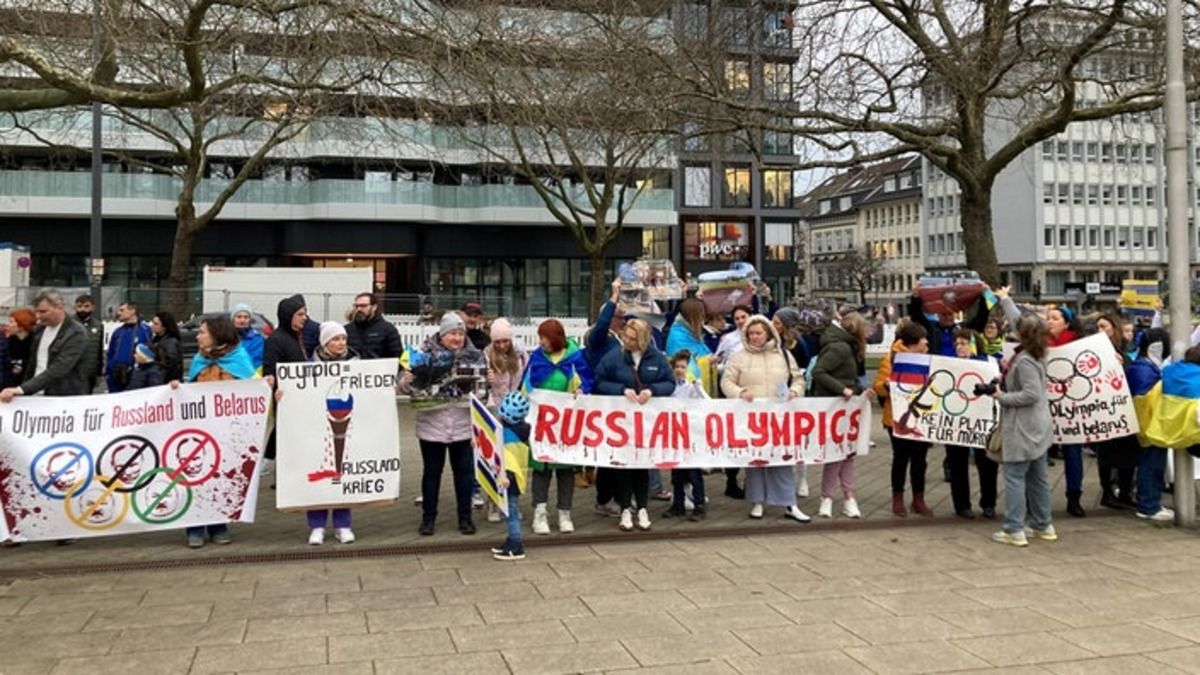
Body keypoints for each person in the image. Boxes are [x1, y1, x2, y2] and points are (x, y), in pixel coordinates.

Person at [172, 313, 256, 547]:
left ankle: (219, 524)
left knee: (220, 477)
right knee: (196, 476)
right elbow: (191, 392)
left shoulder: (239, 359)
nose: (198, 336)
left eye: (202, 332)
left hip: (225, 433)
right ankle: (194, 527)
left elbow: (250, 393)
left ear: (216, 335)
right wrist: (178, 389)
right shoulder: (200, 359)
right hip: (199, 432)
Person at [401, 312, 486, 536]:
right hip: (432, 426)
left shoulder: (476, 356)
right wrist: (406, 381)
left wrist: (489, 383)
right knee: (431, 473)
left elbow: (484, 392)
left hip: (463, 426)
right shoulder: (423, 354)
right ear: (442, 334)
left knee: (464, 474)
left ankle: (465, 518)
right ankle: (428, 518)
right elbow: (408, 388)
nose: (457, 338)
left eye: (460, 333)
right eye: (452, 334)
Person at [720, 314, 810, 523]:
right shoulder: (738, 357)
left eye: (758, 333)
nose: (754, 337)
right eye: (750, 333)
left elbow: (797, 378)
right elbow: (727, 382)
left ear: (768, 333)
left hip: (779, 418)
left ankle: (789, 502)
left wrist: (795, 392)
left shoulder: (783, 355)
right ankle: (757, 500)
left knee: (782, 459)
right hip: (752, 418)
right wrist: (740, 392)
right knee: (756, 460)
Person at [594, 318, 675, 532]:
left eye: (632, 338)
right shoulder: (614, 357)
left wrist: (652, 391)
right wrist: (620, 390)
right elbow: (599, 381)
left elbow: (669, 382)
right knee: (623, 466)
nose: (627, 341)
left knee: (641, 465)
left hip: (646, 423)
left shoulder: (657, 358)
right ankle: (625, 508)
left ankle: (642, 507)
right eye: (626, 337)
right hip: (620, 422)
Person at [992, 289, 1056, 547]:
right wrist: (1005, 299)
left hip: (1023, 426)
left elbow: (1031, 394)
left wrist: (1001, 396)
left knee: (1015, 476)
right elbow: (1022, 321)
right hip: (1038, 426)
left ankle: (1014, 528)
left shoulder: (1026, 361)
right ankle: (1043, 524)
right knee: (1038, 477)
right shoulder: (1036, 352)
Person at [522, 319, 594, 535]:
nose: (540, 341)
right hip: (542, 423)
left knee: (565, 471)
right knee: (541, 469)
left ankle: (565, 512)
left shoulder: (575, 357)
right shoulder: (536, 357)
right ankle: (540, 512)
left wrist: (583, 390)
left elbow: (588, 380)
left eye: (544, 337)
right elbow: (526, 385)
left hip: (566, 424)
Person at [811, 311, 872, 519]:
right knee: (838, 454)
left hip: (844, 406)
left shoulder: (844, 346)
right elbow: (818, 372)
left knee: (846, 454)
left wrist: (856, 390)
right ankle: (833, 497)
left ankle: (844, 496)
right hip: (836, 405)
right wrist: (842, 389)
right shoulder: (841, 348)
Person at [304, 322, 359, 544]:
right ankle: (316, 525)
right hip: (317, 426)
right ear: (325, 342)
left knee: (342, 472)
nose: (341, 343)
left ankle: (342, 524)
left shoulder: (357, 365)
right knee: (319, 472)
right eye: (336, 339)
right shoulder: (308, 366)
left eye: (343, 339)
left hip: (348, 423)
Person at [872, 320, 934, 517]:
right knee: (901, 459)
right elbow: (878, 387)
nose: (926, 342)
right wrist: (888, 386)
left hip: (920, 416)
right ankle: (897, 498)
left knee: (920, 460)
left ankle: (919, 498)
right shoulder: (891, 359)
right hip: (896, 417)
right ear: (912, 342)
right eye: (923, 338)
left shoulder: (928, 359)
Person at [944, 328, 999, 519]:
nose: (959, 347)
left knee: (987, 463)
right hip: (957, 421)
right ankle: (961, 504)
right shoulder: (949, 363)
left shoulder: (990, 362)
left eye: (964, 343)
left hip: (983, 420)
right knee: (957, 462)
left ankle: (989, 503)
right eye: (957, 344)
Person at [0, 290, 88, 401]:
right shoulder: (39, 329)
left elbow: (59, 368)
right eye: (36, 312)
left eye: (43, 312)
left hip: (63, 398)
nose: (38, 316)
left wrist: (22, 389)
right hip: (35, 395)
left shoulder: (76, 332)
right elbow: (32, 363)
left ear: (59, 307)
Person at [1092, 312, 1139, 511]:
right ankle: (1108, 492)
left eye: (1104, 326)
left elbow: (1131, 373)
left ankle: (1126, 492)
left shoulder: (1123, 349)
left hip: (1123, 409)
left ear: (1114, 328)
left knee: (1128, 453)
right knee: (1106, 454)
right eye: (1098, 327)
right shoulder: (1092, 350)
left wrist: (1123, 365)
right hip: (1103, 410)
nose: (1100, 331)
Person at [1044, 304, 1086, 517]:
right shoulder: (1038, 343)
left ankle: (1074, 497)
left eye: (1055, 318)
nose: (1049, 321)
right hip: (1044, 408)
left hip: (1070, 410)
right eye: (1048, 318)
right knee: (1039, 455)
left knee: (1073, 455)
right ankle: (1038, 498)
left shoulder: (1079, 345)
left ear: (1067, 323)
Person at [263, 295, 311, 480]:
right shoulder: (276, 340)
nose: (304, 317)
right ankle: (283, 477)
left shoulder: (297, 337)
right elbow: (270, 370)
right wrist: (274, 391)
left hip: (299, 399)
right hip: (285, 398)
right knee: (286, 437)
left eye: (305, 313)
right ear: (288, 316)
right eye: (300, 314)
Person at [1128, 328, 1173, 521]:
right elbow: (1143, 399)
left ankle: (1150, 502)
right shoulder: (1143, 369)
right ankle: (1148, 505)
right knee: (1151, 464)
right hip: (1149, 425)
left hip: (1152, 424)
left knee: (1154, 464)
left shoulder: (1146, 366)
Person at [665, 351, 706, 519]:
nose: (680, 370)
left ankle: (699, 504)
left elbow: (706, 403)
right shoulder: (670, 387)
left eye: (683, 367)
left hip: (690, 434)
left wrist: (699, 388)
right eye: (677, 367)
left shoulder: (691, 387)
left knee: (694, 472)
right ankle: (678, 504)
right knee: (677, 473)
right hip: (675, 434)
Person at [492, 391, 532, 561]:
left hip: (510, 478)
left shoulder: (508, 435)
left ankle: (516, 546)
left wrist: (506, 476)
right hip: (516, 477)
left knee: (511, 513)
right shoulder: (521, 430)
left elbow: (508, 458)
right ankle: (511, 540)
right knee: (510, 511)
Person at [907, 281, 990, 357]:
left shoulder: (964, 329)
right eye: (944, 314)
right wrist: (915, 296)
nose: (948, 317)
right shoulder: (930, 328)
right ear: (938, 314)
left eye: (950, 314)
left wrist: (987, 294)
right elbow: (915, 315)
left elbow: (983, 317)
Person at [106, 301, 153, 393]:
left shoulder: (145, 330)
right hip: (116, 377)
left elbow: (150, 353)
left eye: (122, 310)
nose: (119, 313)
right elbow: (110, 353)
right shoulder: (117, 332)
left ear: (132, 311)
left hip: (136, 377)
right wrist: (109, 372)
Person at [345, 293, 403, 360]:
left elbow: (397, 355)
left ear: (374, 307)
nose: (359, 309)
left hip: (380, 369)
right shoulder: (347, 330)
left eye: (363, 306)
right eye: (356, 306)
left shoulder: (388, 329)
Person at [485, 318, 527, 407]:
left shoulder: (521, 356)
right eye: (497, 342)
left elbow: (528, 378)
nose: (502, 346)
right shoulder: (486, 356)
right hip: (494, 406)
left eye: (505, 341)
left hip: (516, 406)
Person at [666, 297, 712, 376]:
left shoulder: (689, 332)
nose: (703, 320)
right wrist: (708, 360)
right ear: (694, 317)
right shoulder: (678, 337)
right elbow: (688, 366)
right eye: (701, 316)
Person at [73, 294, 104, 393]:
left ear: (93, 307)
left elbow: (99, 350)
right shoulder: (68, 323)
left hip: (90, 372)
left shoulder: (98, 326)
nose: (82, 309)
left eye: (86, 306)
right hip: (71, 372)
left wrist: (98, 373)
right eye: (79, 306)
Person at [6, 307, 36, 386]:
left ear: (21, 325)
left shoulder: (34, 343)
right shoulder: (8, 342)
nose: (8, 325)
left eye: (11, 322)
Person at [151, 312, 184, 383]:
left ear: (164, 327)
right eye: (153, 323)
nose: (152, 326)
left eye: (156, 324)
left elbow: (172, 364)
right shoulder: (156, 339)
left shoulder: (170, 342)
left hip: (167, 382)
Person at [231, 304, 265, 370]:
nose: (242, 320)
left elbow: (257, 361)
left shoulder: (257, 339)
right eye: (239, 317)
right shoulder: (225, 337)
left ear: (250, 320)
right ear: (233, 319)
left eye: (246, 317)